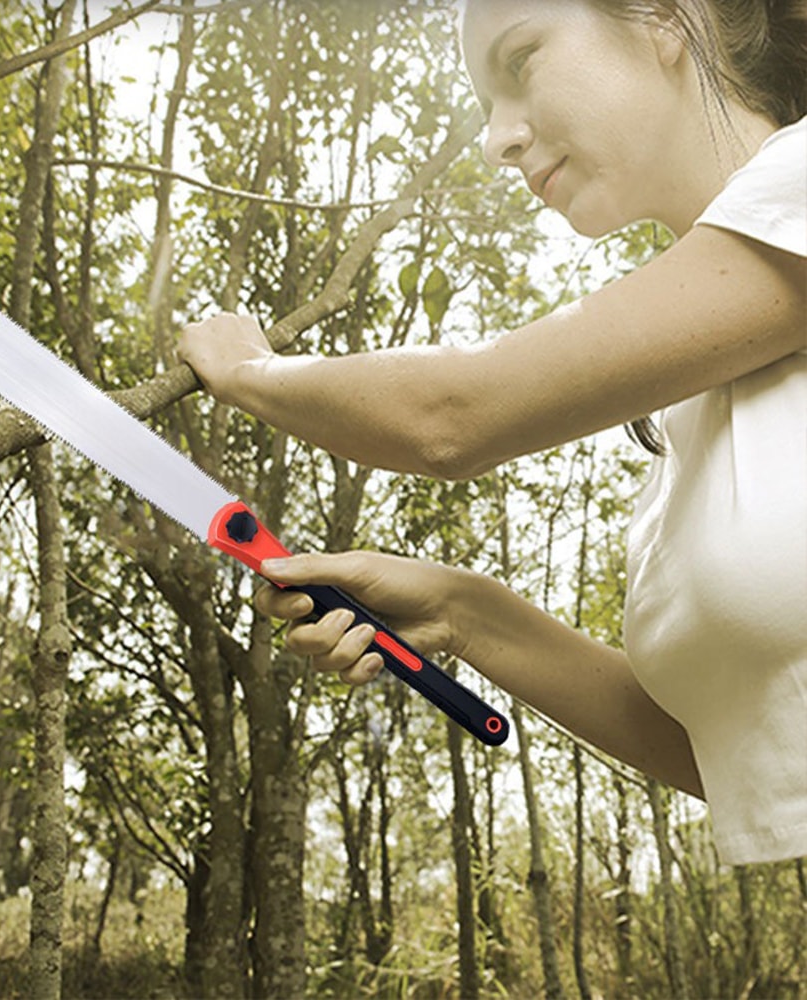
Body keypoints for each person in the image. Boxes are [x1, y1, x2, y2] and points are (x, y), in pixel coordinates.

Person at [177, 0, 806, 865]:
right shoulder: (697, 407)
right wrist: (465, 612)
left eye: (521, 61)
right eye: (482, 106)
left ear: (667, 15)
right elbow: (743, 754)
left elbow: (454, 416)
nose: (497, 140)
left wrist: (251, 372)